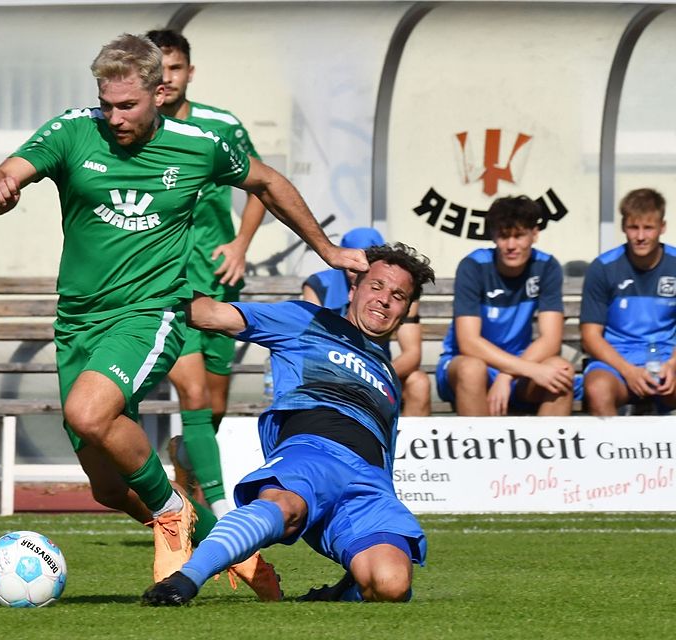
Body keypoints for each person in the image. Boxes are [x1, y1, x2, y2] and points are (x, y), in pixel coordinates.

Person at [0, 33, 368, 593]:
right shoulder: (71, 130)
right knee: (109, 488)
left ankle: (172, 515)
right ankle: (234, 552)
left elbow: (269, 182)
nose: (113, 117)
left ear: (160, 93)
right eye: (106, 104)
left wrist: (327, 250)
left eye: (126, 106)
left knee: (90, 413)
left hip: (149, 312)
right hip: (78, 322)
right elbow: (3, 174)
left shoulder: (200, 143)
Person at [142, 243, 434, 606]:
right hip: (312, 451)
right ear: (354, 288)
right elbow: (211, 314)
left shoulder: (390, 375)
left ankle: (343, 593)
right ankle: (185, 580)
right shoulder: (306, 320)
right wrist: (144, 281)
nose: (384, 300)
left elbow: (386, 454)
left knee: (392, 585)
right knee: (284, 505)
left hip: (370, 482)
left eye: (398, 295)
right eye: (376, 286)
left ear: (406, 309)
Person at [144, 28, 267, 518]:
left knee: (213, 403)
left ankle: (187, 467)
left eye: (175, 68)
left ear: (189, 73)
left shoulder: (221, 126)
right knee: (192, 391)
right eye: (159, 69)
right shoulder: (132, 127)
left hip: (217, 280)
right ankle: (203, 510)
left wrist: (240, 244)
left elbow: (262, 185)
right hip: (166, 285)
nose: (167, 78)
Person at [435, 195, 576, 416]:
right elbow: (468, 343)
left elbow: (551, 339)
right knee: (471, 369)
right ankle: (480, 449)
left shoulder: (547, 266)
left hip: (517, 366)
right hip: (467, 364)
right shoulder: (473, 266)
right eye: (503, 236)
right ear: (493, 236)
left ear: (535, 234)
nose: (511, 245)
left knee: (560, 371)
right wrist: (523, 369)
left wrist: (507, 374)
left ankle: (546, 449)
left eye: (519, 236)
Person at [302, 227, 431, 416]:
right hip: (328, 369)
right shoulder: (317, 285)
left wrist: (373, 377)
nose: (361, 266)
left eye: (367, 260)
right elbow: (310, 345)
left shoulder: (401, 288)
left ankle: (406, 444)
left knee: (419, 382)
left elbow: (412, 354)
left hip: (382, 369)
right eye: (354, 259)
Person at [581, 188, 676, 415]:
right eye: (634, 227)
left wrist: (672, 365)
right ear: (624, 227)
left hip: (667, 360)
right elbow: (590, 336)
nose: (640, 236)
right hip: (616, 363)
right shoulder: (603, 268)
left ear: (662, 227)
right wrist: (628, 371)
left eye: (648, 228)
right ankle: (614, 450)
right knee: (598, 389)